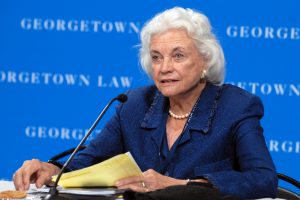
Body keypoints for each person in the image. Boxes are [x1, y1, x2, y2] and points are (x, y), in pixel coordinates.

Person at [13, 7, 278, 199]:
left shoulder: (237, 107)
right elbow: (88, 162)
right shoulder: (135, 104)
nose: (164, 68)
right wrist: (51, 169)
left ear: (205, 62)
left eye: (178, 56)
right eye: (156, 57)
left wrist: (182, 186)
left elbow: (263, 179)